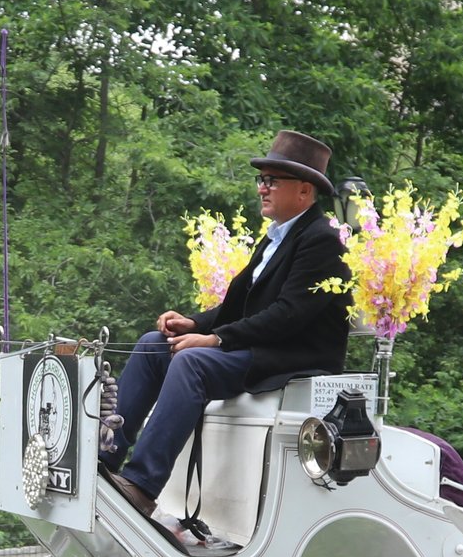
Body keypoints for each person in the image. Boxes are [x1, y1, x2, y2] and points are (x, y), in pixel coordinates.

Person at [102, 130, 353, 531]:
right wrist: (194, 323)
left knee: (192, 362)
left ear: (304, 191)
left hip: (292, 357)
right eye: (261, 179)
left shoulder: (322, 240)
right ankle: (106, 458)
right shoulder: (277, 236)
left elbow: (287, 315)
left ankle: (141, 485)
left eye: (272, 180)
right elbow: (239, 306)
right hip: (259, 346)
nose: (262, 188)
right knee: (154, 345)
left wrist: (215, 339)